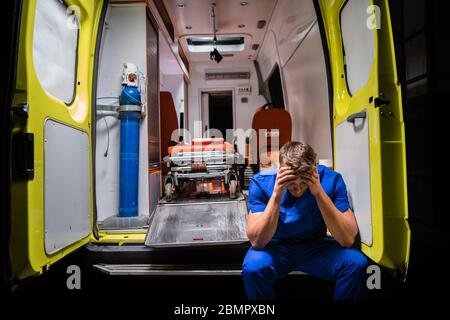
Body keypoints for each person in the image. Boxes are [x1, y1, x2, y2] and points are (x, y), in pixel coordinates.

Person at [242, 141, 368, 300]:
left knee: (356, 263)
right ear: (280, 169)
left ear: (315, 166)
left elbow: (347, 239)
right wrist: (276, 195)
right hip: (276, 247)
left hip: (316, 246)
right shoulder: (261, 182)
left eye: (304, 183)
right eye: (292, 183)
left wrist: (318, 191)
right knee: (253, 268)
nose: (298, 189)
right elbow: (257, 242)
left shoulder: (332, 179)